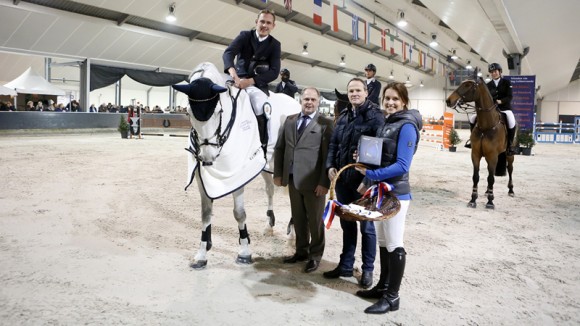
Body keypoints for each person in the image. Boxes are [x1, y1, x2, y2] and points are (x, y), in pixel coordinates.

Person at [353, 82, 422, 315]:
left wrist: (370, 174)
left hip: (397, 194)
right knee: (383, 241)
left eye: (395, 99)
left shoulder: (408, 126)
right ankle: (383, 286)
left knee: (394, 243)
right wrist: (363, 158)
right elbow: (382, 156)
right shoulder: (387, 123)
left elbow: (402, 164)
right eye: (387, 98)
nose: (390, 102)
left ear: (404, 101)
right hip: (382, 192)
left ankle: (393, 297)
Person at [324, 78, 384, 288]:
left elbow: (380, 153)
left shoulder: (376, 117)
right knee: (347, 224)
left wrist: (368, 181)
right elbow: (333, 144)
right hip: (342, 180)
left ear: (366, 92)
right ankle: (346, 265)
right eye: (351, 91)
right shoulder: (343, 116)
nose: (354, 93)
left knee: (367, 228)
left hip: (363, 185)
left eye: (358, 90)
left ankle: (368, 270)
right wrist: (330, 166)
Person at [273, 87, 334, 273]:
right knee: (298, 218)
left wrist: (324, 182)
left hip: (314, 182)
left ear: (318, 102)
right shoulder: (290, 120)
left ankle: (315, 256)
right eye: (306, 99)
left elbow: (327, 156)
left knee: (315, 221)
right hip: (292, 179)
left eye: (313, 100)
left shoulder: (326, 123)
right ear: (301, 100)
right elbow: (280, 148)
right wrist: (278, 174)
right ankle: (301, 251)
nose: (309, 102)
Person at [223, 9, 281, 156]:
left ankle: (262, 143)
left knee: (259, 104)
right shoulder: (244, 36)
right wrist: (233, 74)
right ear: (256, 22)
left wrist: (250, 81)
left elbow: (274, 71)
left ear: (273, 26)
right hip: (236, 78)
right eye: (262, 21)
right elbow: (229, 53)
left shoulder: (275, 45)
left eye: (268, 23)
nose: (264, 25)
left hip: (256, 84)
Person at [466, 63, 516, 154]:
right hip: (491, 109)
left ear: (500, 72)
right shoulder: (488, 85)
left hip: (504, 108)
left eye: (495, 71)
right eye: (492, 72)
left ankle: (510, 144)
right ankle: (472, 140)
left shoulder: (506, 83)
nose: (494, 73)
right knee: (472, 118)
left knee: (512, 121)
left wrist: (501, 101)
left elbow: (510, 96)